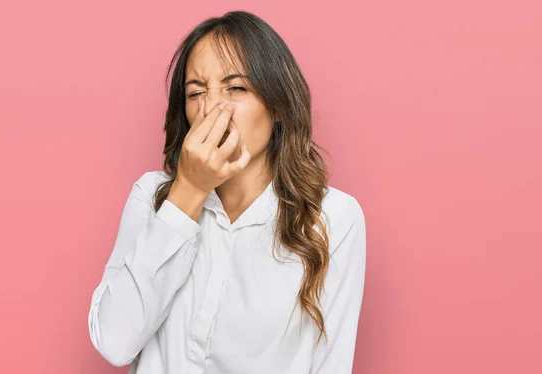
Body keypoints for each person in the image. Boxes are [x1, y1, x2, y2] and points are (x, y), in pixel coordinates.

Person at [88, 10, 366, 374]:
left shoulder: (333, 219)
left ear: (278, 104)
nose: (211, 110)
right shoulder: (151, 196)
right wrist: (188, 191)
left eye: (236, 88)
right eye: (195, 92)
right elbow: (114, 342)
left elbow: (331, 364)